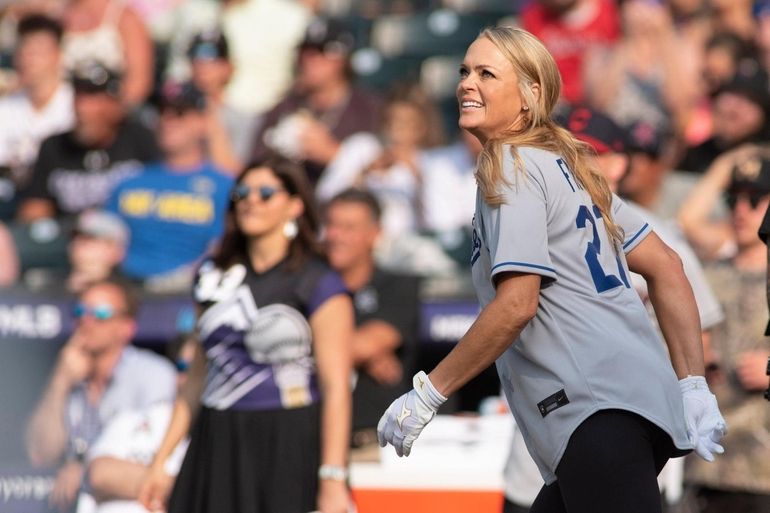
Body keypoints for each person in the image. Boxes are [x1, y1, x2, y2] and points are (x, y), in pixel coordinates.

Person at [376, 27, 726, 513]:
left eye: (486, 73)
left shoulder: (511, 161)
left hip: (595, 411)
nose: (466, 84)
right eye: (464, 71)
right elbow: (666, 265)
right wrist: (690, 385)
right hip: (631, 406)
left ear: (530, 94)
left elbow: (518, 303)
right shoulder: (565, 164)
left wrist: (429, 392)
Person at [137, 155, 354, 513]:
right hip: (217, 435)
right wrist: (160, 461)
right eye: (242, 192)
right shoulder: (211, 276)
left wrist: (332, 478)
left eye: (266, 192)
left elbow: (336, 389)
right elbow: (196, 378)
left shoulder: (318, 281)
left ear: (295, 205)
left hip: (287, 440)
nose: (251, 200)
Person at [25, 278, 176, 513]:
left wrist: (84, 469)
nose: (87, 321)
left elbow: (154, 458)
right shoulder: (69, 375)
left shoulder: (153, 374)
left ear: (127, 327)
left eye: (101, 313)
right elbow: (40, 454)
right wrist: (59, 382)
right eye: (80, 311)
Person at [682, 153, 770, 513]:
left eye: (755, 200)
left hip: (763, 470)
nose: (741, 211)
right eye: (734, 199)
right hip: (708, 465)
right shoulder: (707, 272)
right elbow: (686, 221)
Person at [105, 81, 233, 291]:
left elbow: (223, 249)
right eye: (162, 112)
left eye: (180, 113)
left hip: (190, 293)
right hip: (125, 289)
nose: (168, 121)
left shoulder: (223, 186)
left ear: (202, 122)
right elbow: (104, 236)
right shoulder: (130, 181)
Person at [324, 188, 420, 453]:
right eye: (330, 225)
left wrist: (356, 350)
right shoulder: (306, 286)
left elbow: (368, 344)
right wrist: (359, 353)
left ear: (375, 234)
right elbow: (358, 348)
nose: (334, 236)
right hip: (313, 435)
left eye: (348, 227)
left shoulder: (398, 286)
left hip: (376, 443)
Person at [18, 61, 160, 222]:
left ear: (116, 104)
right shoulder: (54, 146)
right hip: (71, 240)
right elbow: (34, 210)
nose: (82, 108)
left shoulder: (141, 139)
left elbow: (166, 192)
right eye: (79, 96)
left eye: (93, 98)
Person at [252, 16, 381, 187]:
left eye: (321, 52)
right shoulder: (285, 107)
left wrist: (334, 155)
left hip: (344, 207)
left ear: (343, 58)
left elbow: (386, 180)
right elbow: (256, 167)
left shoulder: (370, 109)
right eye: (305, 52)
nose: (309, 60)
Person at [0, 14, 74, 221]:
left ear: (58, 55)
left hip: (60, 201)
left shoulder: (74, 105)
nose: (29, 58)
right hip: (10, 198)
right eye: (25, 50)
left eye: (38, 51)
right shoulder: (6, 108)